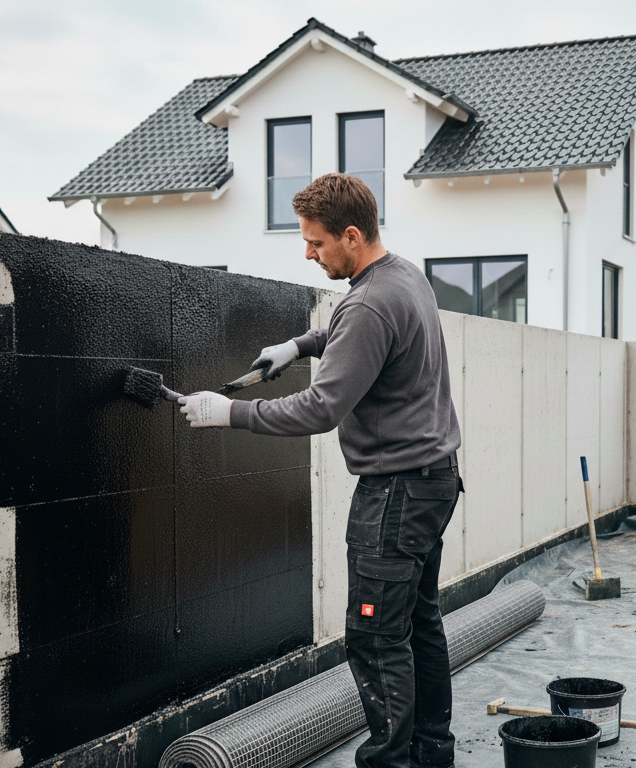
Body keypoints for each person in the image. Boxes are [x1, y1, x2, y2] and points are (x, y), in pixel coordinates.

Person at [178, 173, 463, 768]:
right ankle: (432, 755)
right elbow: (353, 327)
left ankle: (391, 762)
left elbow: (321, 407)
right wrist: (300, 345)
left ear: (351, 235)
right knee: (417, 621)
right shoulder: (403, 274)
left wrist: (229, 411)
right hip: (434, 479)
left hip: (397, 494)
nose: (307, 252)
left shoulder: (370, 302)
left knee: (375, 636)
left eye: (315, 242)